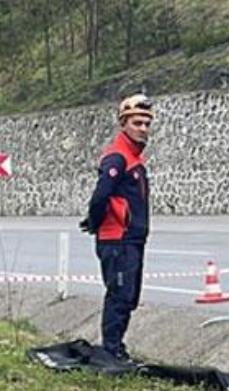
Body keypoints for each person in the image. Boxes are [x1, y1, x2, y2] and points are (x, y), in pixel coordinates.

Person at [78, 94, 155, 365]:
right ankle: (111, 351)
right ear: (123, 124)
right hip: (118, 239)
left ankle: (117, 347)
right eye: (137, 123)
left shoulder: (135, 159)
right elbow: (101, 196)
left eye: (147, 123)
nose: (143, 129)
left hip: (132, 238)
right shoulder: (117, 158)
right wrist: (95, 222)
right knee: (120, 296)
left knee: (129, 297)